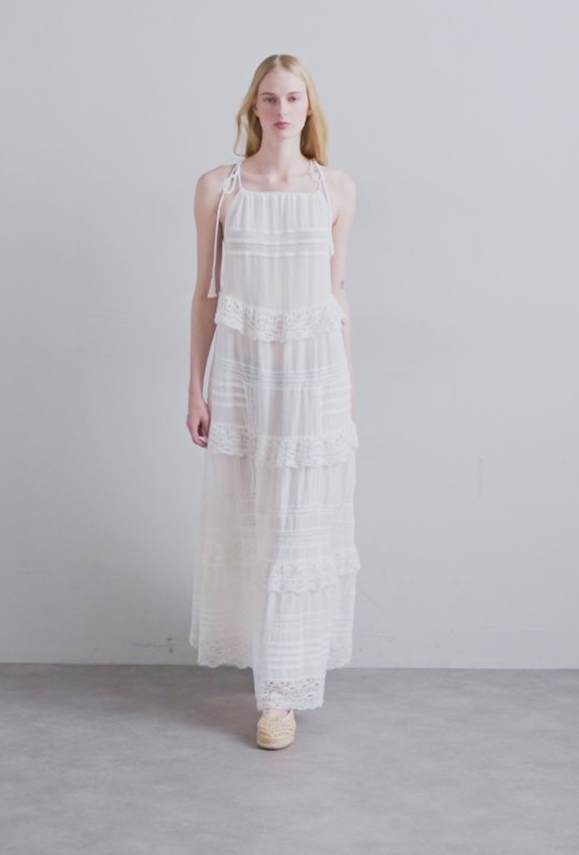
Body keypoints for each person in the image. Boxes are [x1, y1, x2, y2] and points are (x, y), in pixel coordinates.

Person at [186, 53, 360, 749]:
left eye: (292, 98)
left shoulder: (336, 189)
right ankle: (268, 662)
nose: (281, 110)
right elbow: (205, 293)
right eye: (269, 98)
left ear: (308, 106)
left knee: (297, 526)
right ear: (252, 108)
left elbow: (337, 293)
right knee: (253, 516)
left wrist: (348, 387)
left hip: (314, 376)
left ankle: (279, 695)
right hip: (244, 373)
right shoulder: (218, 188)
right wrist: (195, 386)